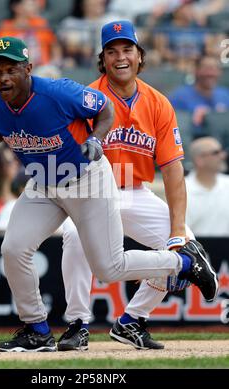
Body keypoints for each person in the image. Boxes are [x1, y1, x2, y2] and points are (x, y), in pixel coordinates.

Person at [0, 36, 218, 352]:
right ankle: (37, 330)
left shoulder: (57, 92)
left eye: (12, 69)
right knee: (14, 248)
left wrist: (97, 139)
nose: (4, 77)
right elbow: (1, 131)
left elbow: (105, 108)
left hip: (87, 181)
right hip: (43, 183)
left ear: (28, 68)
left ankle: (181, 264)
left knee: (108, 268)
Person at [57, 20, 196, 352]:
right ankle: (77, 323)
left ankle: (132, 319)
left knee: (186, 248)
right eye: (112, 51)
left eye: (127, 49)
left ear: (139, 55)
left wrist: (177, 231)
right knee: (74, 237)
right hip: (92, 192)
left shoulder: (159, 103)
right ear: (102, 59)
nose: (120, 57)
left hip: (136, 191)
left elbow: (174, 171)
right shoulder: (86, 98)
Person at [169, 55, 229, 134]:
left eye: (215, 69)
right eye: (206, 68)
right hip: (193, 141)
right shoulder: (179, 96)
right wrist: (191, 118)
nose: (210, 73)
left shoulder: (225, 95)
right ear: (196, 71)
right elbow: (171, 128)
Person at [185, 137, 229, 236]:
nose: (223, 156)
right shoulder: (181, 191)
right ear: (199, 159)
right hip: (195, 251)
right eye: (216, 152)